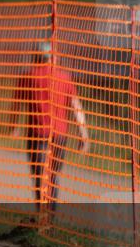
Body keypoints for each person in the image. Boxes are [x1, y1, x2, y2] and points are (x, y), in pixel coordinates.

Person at [9, 42, 90, 211]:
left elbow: (16, 105)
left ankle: (42, 212)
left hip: (36, 134)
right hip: (60, 135)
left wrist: (13, 125)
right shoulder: (64, 78)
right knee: (53, 175)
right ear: (53, 57)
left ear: (35, 57)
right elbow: (76, 107)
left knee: (39, 176)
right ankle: (51, 212)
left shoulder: (27, 77)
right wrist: (83, 134)